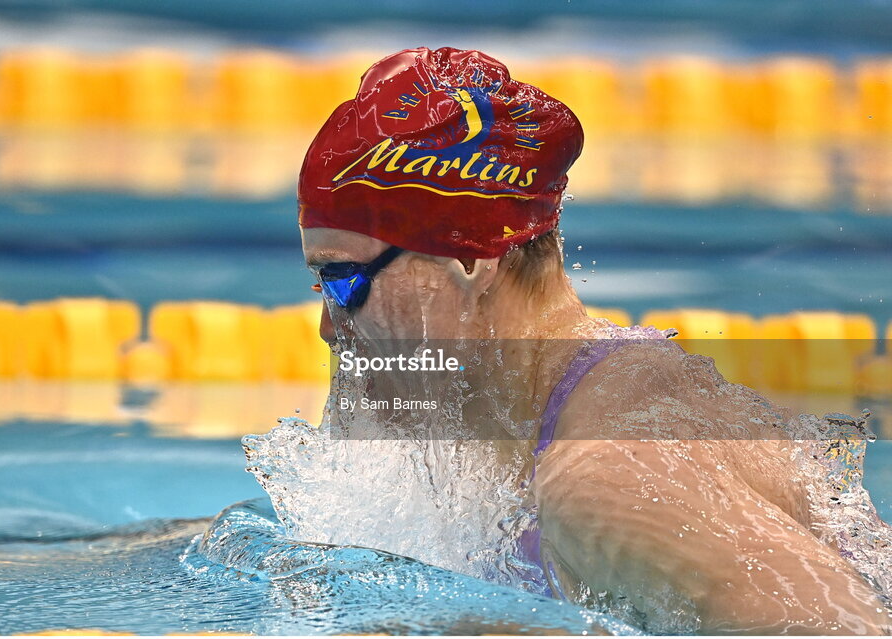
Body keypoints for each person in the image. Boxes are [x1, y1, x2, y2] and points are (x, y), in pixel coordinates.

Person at [297, 46, 891, 634]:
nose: (329, 325)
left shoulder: (607, 470)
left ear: (464, 259)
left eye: (343, 279)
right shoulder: (522, 424)